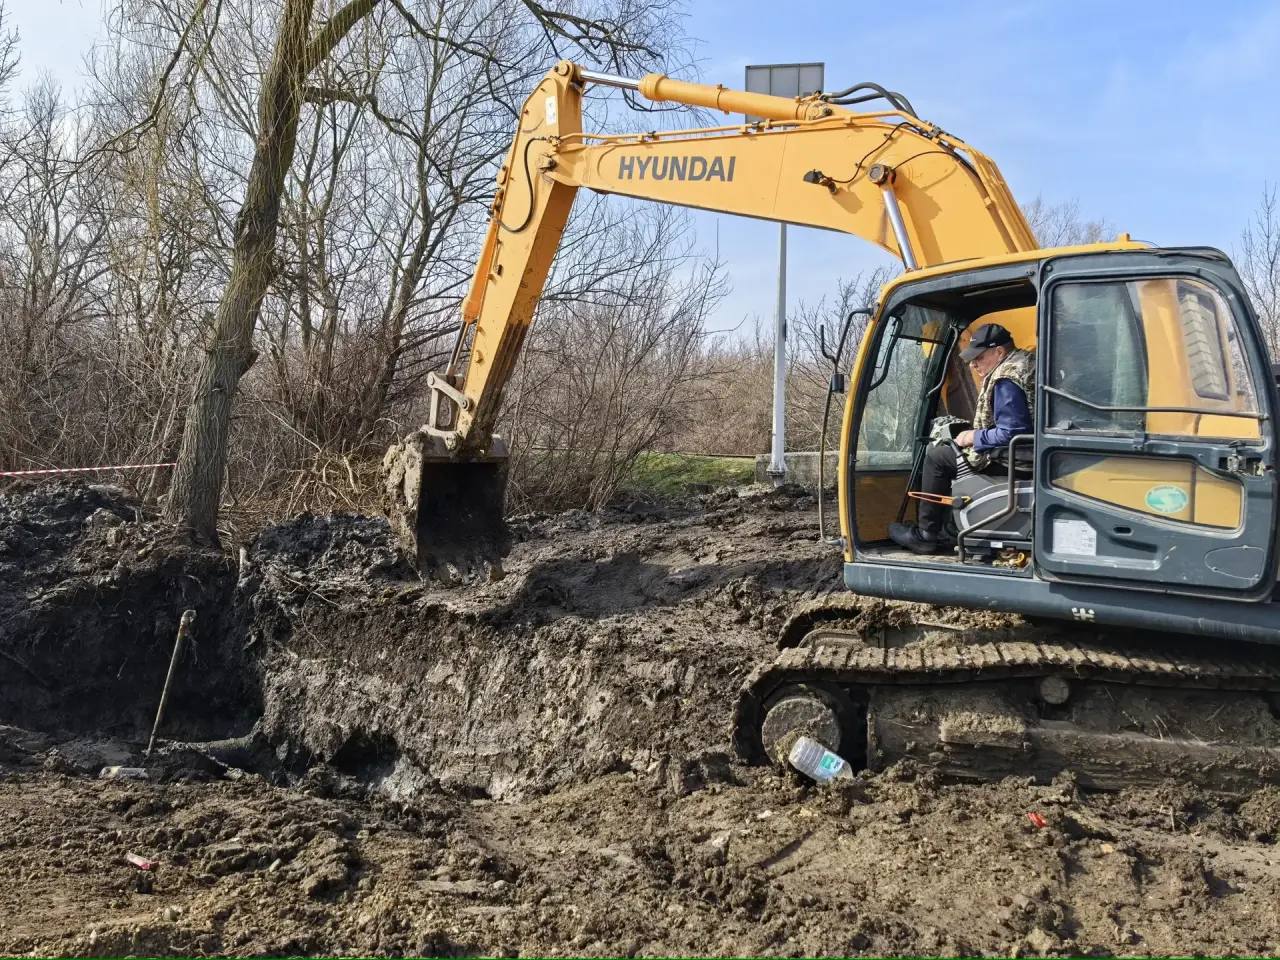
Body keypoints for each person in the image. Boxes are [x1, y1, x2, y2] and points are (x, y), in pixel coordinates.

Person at [889, 322, 1034, 555]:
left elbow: (1012, 432)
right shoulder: (1028, 362)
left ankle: (927, 535)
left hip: (1016, 459)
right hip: (1031, 453)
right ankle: (949, 528)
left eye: (979, 357)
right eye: (971, 358)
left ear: (999, 352)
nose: (973, 363)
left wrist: (972, 436)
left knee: (937, 457)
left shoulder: (1006, 379)